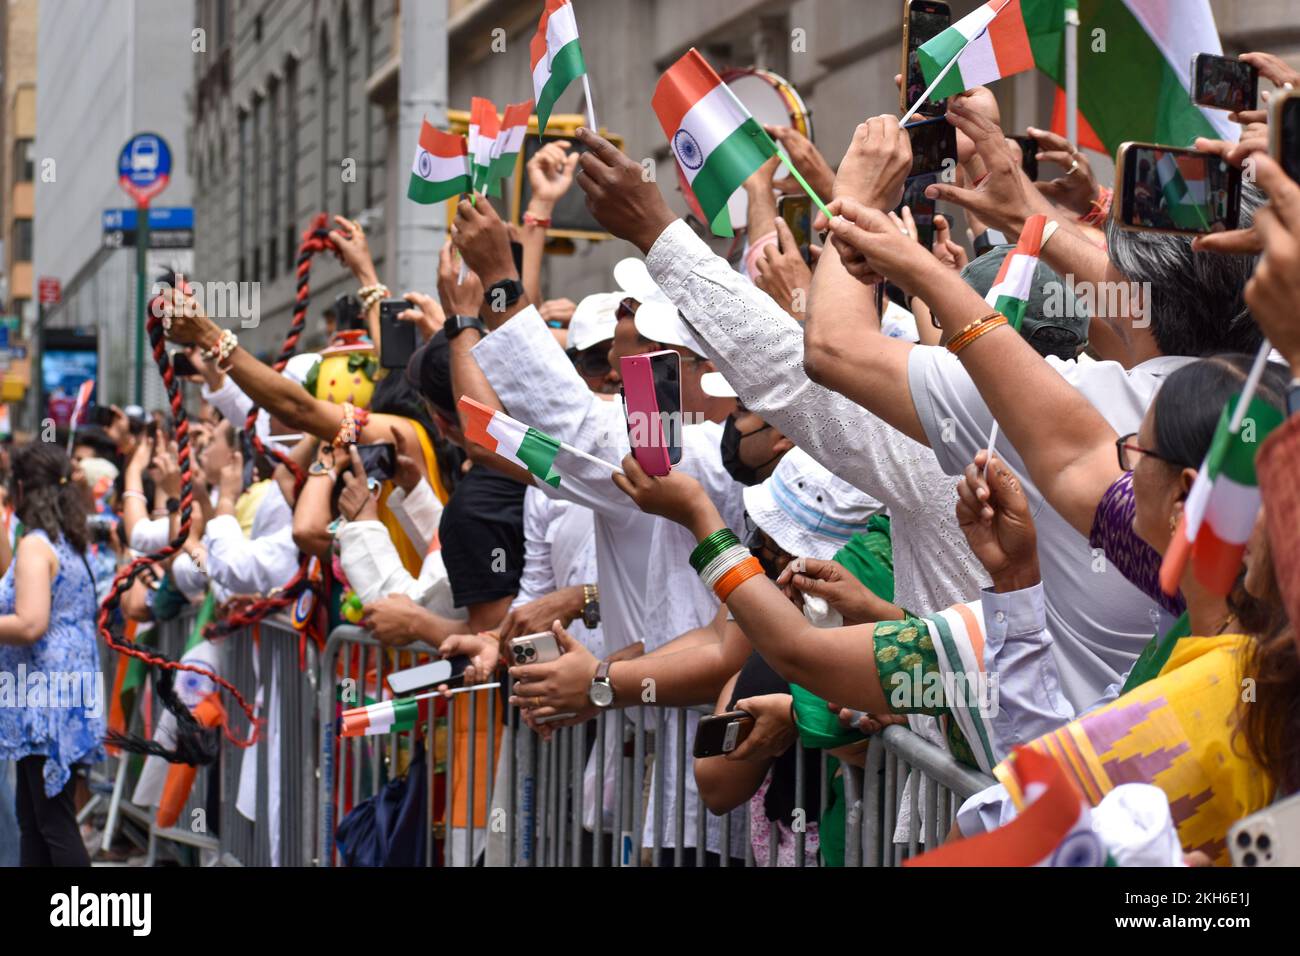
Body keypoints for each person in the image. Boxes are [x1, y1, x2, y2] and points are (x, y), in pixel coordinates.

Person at [0, 443, 104, 866]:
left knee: (53, 820)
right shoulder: (68, 542)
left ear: (22, 490)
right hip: (62, 690)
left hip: (45, 696)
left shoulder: (35, 546)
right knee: (36, 816)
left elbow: (30, 623)